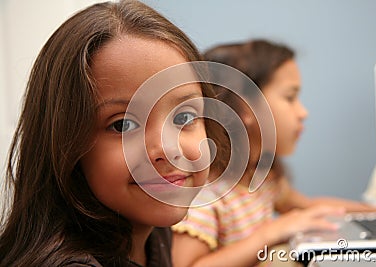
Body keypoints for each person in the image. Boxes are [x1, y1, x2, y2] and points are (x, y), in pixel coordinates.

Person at [0, 1, 228, 266]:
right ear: (65, 147)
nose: (169, 149)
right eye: (122, 125)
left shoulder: (153, 233)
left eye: (184, 117)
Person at [171, 39, 376, 267]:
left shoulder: (262, 178)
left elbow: (307, 205)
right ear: (245, 106)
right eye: (290, 97)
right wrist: (270, 234)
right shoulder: (205, 196)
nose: (303, 112)